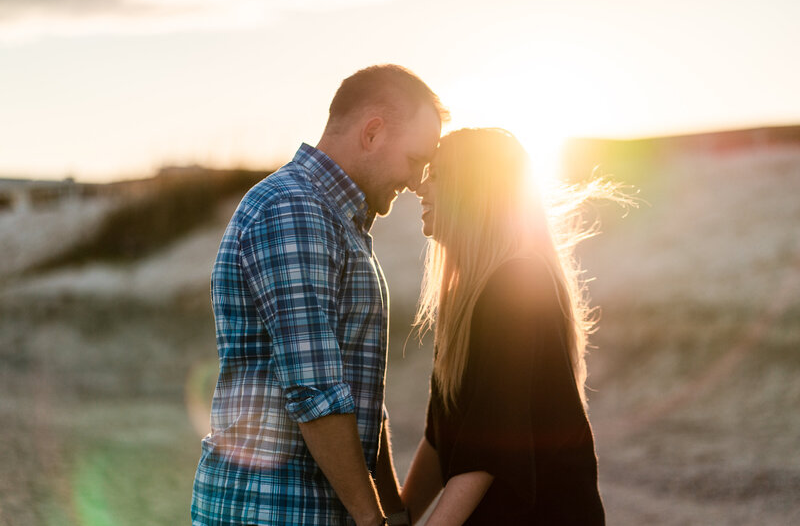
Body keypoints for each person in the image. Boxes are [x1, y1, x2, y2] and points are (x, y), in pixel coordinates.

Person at [191, 65, 447, 526]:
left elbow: (360, 402)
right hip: (271, 511)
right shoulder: (295, 210)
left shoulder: (335, 221)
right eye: (415, 159)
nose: (415, 181)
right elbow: (317, 391)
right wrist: (373, 521)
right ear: (372, 133)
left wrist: (394, 511)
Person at [401, 128, 608, 525]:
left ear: (476, 190)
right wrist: (400, 516)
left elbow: (489, 448)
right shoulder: (469, 293)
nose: (420, 187)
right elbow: (440, 432)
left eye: (438, 175)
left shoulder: (515, 285)